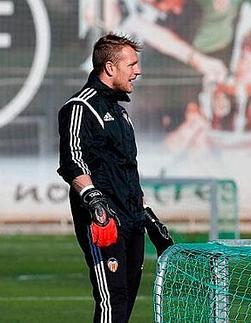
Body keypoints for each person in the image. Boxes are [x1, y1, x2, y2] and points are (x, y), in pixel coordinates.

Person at [57, 34, 148, 322]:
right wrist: (94, 199)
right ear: (110, 67)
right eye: (132, 64)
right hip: (104, 221)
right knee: (113, 300)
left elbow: (127, 172)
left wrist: (147, 216)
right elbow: (72, 162)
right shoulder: (79, 108)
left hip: (133, 220)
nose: (138, 71)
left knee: (127, 300)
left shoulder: (121, 113)